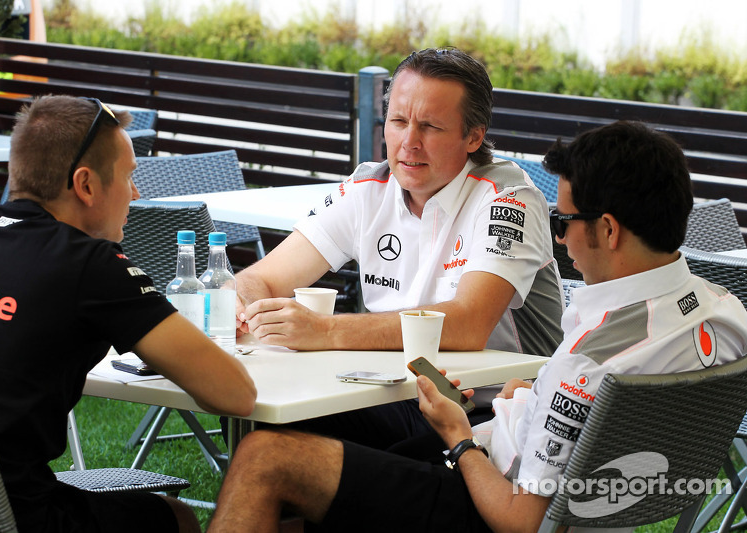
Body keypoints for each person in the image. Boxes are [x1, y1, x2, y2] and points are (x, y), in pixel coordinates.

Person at [208, 120, 747, 533]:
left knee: (265, 457)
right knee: (325, 436)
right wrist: (531, 395)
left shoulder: (587, 363)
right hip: (559, 475)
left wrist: (459, 438)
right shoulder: (723, 310)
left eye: (564, 224)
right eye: (398, 121)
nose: (560, 242)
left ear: (607, 230)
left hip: (484, 496)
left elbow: (523, 521)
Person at [0, 95, 257, 533]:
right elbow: (236, 395)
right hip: (9, 516)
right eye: (129, 176)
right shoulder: (88, 264)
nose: (135, 193)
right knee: (177, 517)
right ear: (86, 185)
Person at [229, 48, 564, 450]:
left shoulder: (508, 198)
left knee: (298, 455)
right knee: (268, 425)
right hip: (397, 394)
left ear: (474, 136)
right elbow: (260, 277)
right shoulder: (368, 187)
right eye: (399, 121)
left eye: (431, 127)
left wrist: (324, 330)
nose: (409, 143)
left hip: (496, 415)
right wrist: (247, 307)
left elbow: (468, 323)